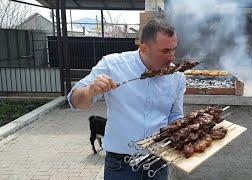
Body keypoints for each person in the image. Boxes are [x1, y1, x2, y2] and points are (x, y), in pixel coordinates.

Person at [67, 19, 186, 180]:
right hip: (120, 167)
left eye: (173, 50)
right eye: (165, 51)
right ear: (144, 48)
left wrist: (187, 130)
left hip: (158, 164)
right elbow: (74, 101)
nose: (171, 57)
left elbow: (175, 115)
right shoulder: (112, 65)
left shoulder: (177, 77)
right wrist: (89, 91)